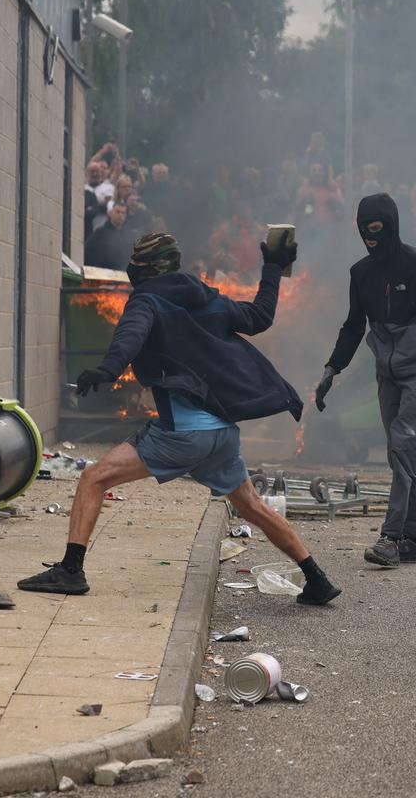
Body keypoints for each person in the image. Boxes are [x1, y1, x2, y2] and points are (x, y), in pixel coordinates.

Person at [19, 232, 341, 602]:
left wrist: (107, 370)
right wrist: (272, 266)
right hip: (221, 433)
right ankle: (316, 578)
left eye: (137, 264)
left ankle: (71, 571)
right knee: (251, 504)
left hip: (182, 434)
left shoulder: (146, 299)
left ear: (148, 269)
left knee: (93, 478)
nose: (132, 269)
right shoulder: (208, 300)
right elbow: (259, 316)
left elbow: (131, 335)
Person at [316, 194, 416, 568]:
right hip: (387, 372)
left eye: (375, 229)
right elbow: (354, 326)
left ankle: (391, 538)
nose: (370, 237)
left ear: (391, 224)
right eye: (363, 230)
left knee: (404, 448)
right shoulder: (361, 274)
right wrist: (332, 368)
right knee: (401, 454)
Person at [84, 201, 134, 270]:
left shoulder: (128, 235)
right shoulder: (100, 233)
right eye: (117, 212)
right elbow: (89, 254)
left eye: (123, 213)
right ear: (111, 213)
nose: (120, 215)